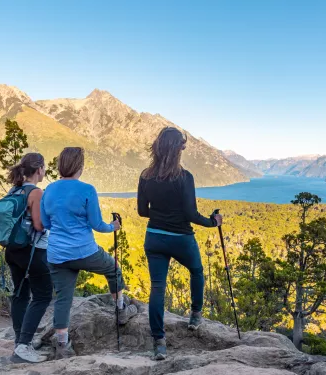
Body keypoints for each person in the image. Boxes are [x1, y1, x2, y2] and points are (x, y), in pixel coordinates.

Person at [40, 147, 137, 359]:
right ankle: (121, 310)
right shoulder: (87, 190)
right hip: (84, 251)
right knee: (113, 269)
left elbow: (45, 223)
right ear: (80, 167)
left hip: (57, 254)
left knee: (64, 298)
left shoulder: (49, 190)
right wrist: (114, 226)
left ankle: (63, 345)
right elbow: (96, 224)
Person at [137, 127, 223, 360]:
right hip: (181, 238)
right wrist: (212, 222)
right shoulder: (185, 177)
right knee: (196, 271)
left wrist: (160, 212)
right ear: (177, 150)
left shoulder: (145, 176)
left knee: (157, 287)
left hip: (154, 237)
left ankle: (159, 343)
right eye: (183, 147)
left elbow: (142, 211)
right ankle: (195, 315)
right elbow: (190, 213)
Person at [5, 153, 52, 363]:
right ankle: (24, 346)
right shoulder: (36, 192)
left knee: (20, 294)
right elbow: (39, 225)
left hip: (13, 251)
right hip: (33, 252)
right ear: (39, 169)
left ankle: (19, 341)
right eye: (44, 168)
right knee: (42, 296)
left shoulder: (14, 189)